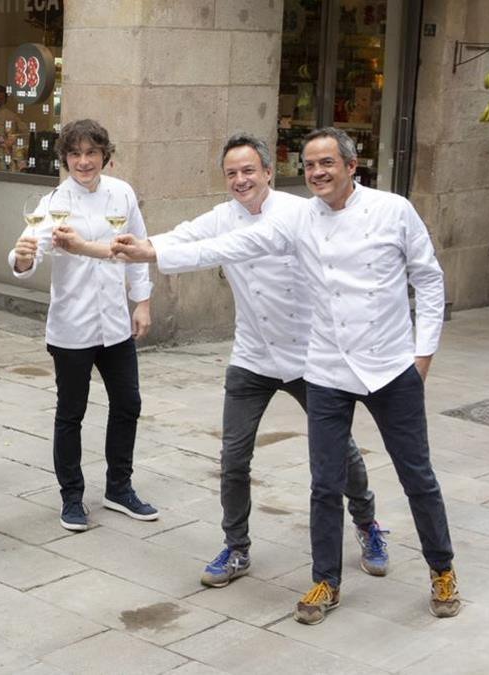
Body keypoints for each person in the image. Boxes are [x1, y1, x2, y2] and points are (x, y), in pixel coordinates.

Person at [113, 127, 460, 624]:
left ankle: (440, 569)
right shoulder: (300, 220)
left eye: (327, 163)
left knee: (417, 477)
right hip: (323, 368)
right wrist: (149, 252)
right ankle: (325, 581)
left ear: (350, 164)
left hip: (389, 366)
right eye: (311, 165)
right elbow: (222, 246)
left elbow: (427, 278)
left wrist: (422, 353)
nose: (318, 172)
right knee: (322, 482)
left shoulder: (392, 209)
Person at [146, 133, 386, 588]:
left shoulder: (298, 214)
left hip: (308, 355)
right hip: (252, 355)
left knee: (339, 451)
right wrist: (126, 245)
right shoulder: (221, 218)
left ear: (268, 173)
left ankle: (368, 522)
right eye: (232, 173)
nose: (241, 180)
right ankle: (236, 548)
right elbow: (178, 238)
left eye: (249, 170)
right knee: (234, 457)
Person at [9, 118, 156, 532]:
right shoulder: (55, 202)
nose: (83, 161)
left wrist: (141, 303)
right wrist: (21, 257)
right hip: (72, 326)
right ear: (65, 159)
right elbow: (28, 254)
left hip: (114, 323)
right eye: (75, 154)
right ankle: (71, 497)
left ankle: (119, 487)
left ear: (104, 156)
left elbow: (139, 250)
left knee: (128, 404)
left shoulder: (122, 193)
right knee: (70, 413)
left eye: (91, 153)